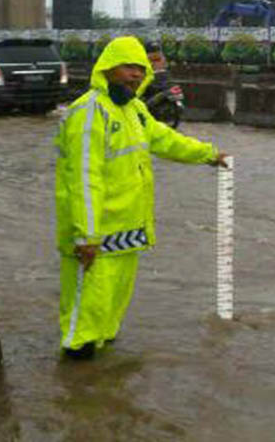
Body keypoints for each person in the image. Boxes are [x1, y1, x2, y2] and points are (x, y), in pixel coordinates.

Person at [54, 36, 229, 360]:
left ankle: (101, 382)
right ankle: (76, 384)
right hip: (95, 232)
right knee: (85, 314)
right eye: (127, 67)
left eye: (140, 69)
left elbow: (166, 140)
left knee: (112, 306)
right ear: (107, 69)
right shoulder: (89, 113)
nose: (135, 75)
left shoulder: (134, 110)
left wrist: (208, 155)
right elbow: (84, 179)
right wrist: (87, 235)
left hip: (127, 228)